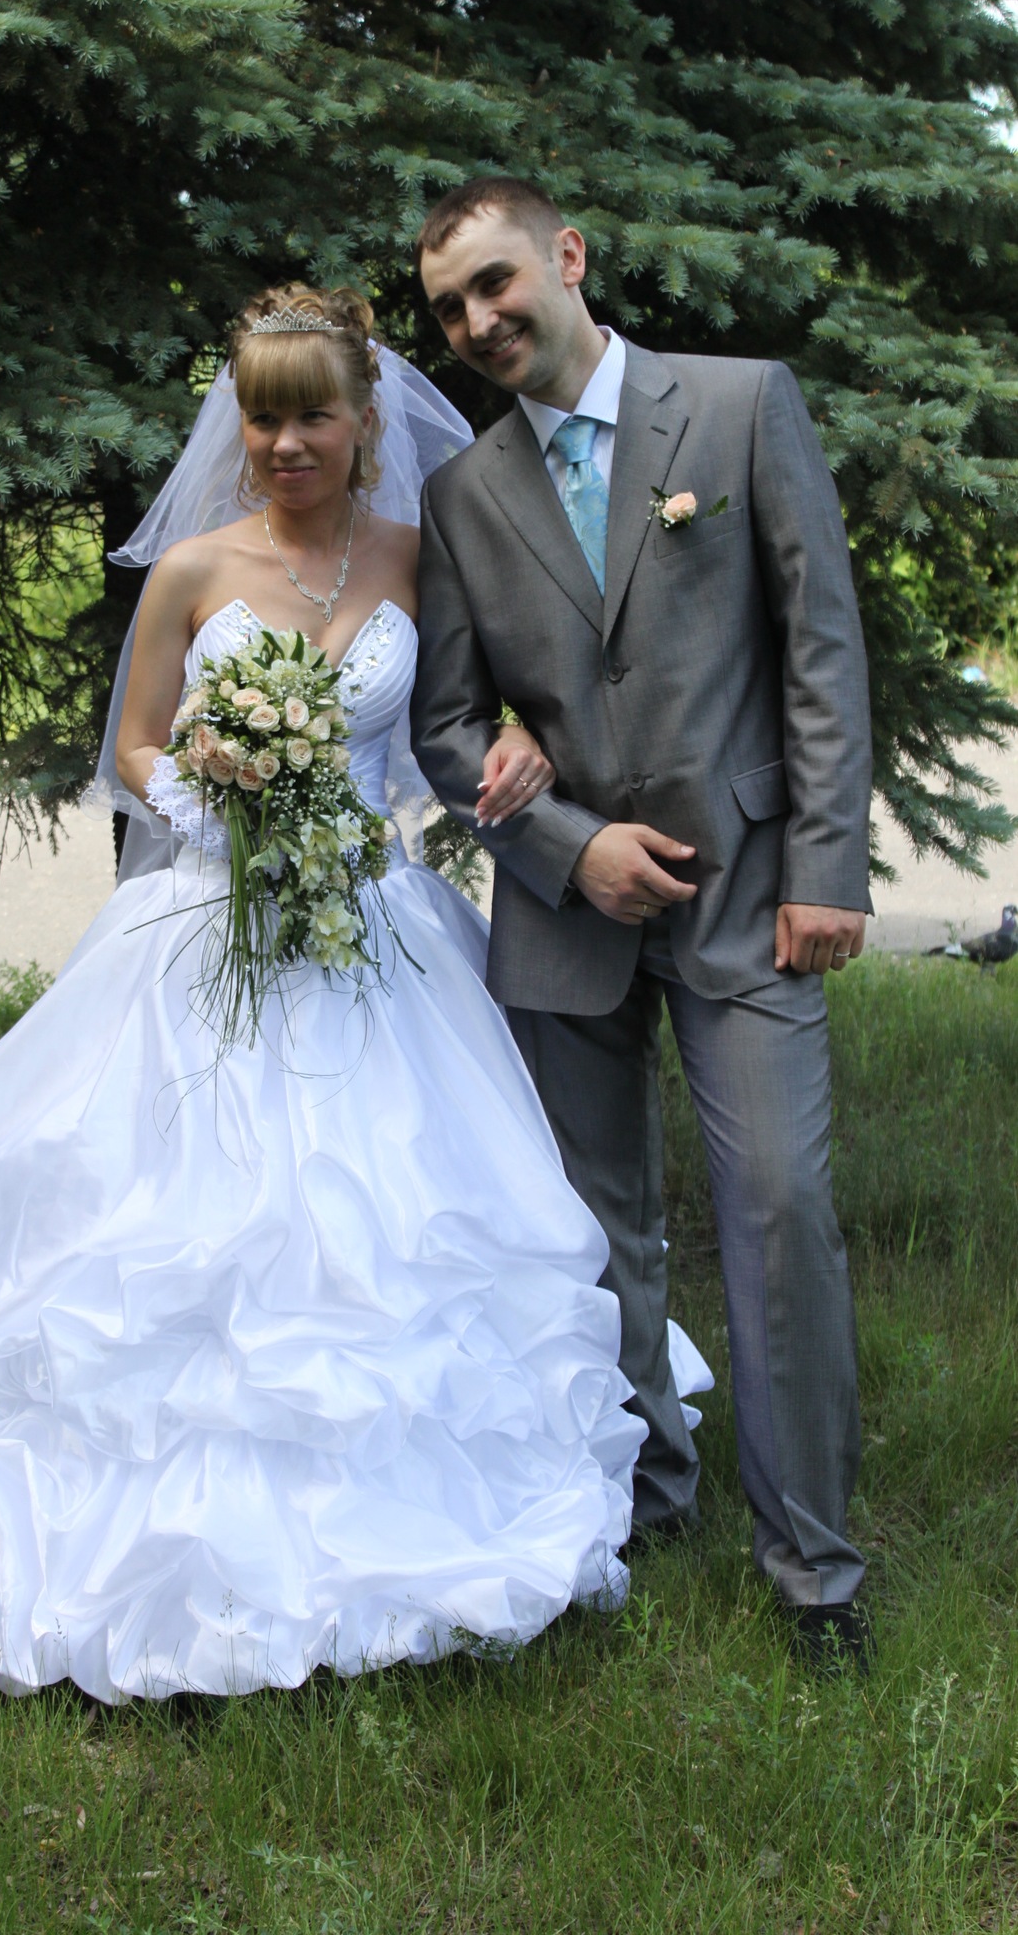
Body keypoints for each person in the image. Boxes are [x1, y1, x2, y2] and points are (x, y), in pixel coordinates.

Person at [0, 283, 710, 1704]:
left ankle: (416, 1522)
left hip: (377, 926)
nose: (284, 444)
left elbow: (482, 701)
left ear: (363, 423)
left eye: (311, 418)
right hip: (206, 917)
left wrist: (521, 739)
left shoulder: (424, 554)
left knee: (400, 1224)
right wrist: (217, 787)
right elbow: (135, 745)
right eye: (262, 417)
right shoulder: (192, 569)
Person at [411, 178, 873, 1665]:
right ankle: (641, 1492)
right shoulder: (460, 495)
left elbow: (818, 646)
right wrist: (565, 843)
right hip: (566, 918)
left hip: (751, 894)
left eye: (495, 283)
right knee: (592, 1231)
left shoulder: (739, 408)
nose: (478, 321)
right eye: (449, 308)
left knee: (780, 1210)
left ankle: (814, 1569)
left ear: (565, 258)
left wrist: (827, 865)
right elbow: (443, 725)